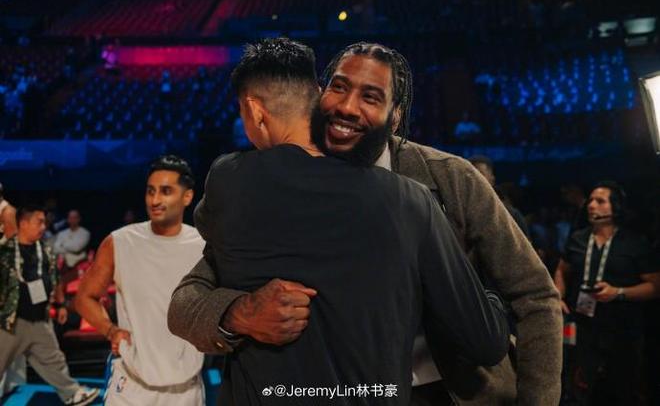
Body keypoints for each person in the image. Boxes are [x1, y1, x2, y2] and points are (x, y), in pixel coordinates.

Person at [169, 42, 562, 405]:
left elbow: (534, 296)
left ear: (395, 117)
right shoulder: (275, 190)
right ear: (319, 94)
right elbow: (188, 299)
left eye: (370, 97)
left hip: (450, 393)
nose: (347, 107)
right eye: (338, 88)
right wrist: (240, 312)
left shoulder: (450, 179)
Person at [73, 156, 205, 405]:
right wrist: (111, 330)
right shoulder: (120, 242)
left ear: (187, 197)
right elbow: (84, 298)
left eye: (165, 191)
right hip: (130, 388)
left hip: (186, 389)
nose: (155, 200)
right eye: (150, 191)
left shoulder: (203, 247)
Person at [554, 181, 660, 405]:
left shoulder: (634, 243)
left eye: (600, 201)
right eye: (591, 200)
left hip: (622, 331)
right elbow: (562, 270)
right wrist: (558, 297)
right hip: (583, 328)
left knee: (621, 392)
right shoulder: (578, 239)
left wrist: (618, 292)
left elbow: (655, 286)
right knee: (580, 390)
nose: (591, 205)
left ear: (616, 208)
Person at [0, 205, 99, 406]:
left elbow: (55, 278)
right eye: (39, 222)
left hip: (40, 320)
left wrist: (61, 304)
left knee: (54, 360)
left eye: (44, 222)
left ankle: (72, 394)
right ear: (24, 223)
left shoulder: (45, 250)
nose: (44, 227)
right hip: (10, 323)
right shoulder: (5, 251)